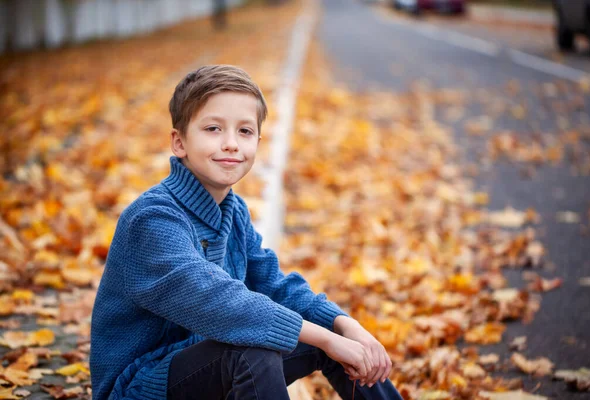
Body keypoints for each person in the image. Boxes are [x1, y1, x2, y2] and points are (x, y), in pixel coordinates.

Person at [90, 65, 403, 400]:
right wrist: (328, 339)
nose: (230, 144)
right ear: (179, 142)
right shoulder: (153, 219)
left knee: (327, 335)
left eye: (244, 131)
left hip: (206, 369)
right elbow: (218, 300)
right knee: (255, 350)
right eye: (213, 129)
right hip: (142, 386)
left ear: (257, 140)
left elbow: (276, 286)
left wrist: (346, 327)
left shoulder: (233, 211)